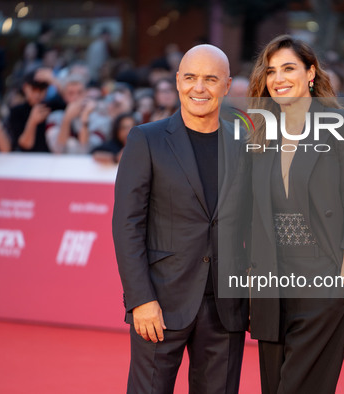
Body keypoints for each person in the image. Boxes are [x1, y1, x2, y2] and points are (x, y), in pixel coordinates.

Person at [246, 35, 344, 394]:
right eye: (271, 71)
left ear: (310, 72)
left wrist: (343, 282)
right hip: (272, 286)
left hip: (324, 281)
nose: (278, 78)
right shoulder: (260, 133)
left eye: (288, 68)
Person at [112, 44, 249, 393]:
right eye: (190, 77)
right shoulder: (147, 139)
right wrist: (140, 299)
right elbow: (127, 225)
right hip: (160, 303)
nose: (198, 88)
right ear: (177, 81)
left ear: (227, 84)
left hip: (226, 306)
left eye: (210, 79)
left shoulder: (245, 142)